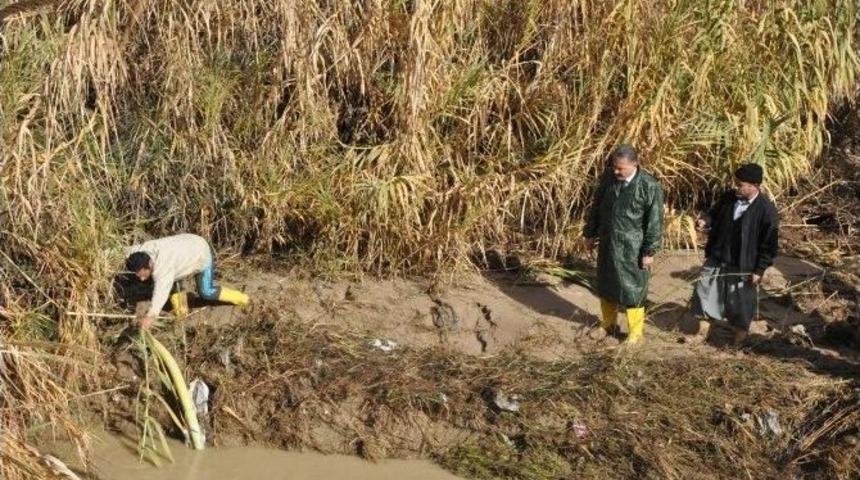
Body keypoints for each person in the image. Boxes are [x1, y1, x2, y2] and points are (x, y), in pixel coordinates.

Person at [584, 144, 664, 344]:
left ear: (635, 164)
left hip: (633, 247)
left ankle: (635, 334)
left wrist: (649, 250)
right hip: (608, 241)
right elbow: (597, 206)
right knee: (606, 285)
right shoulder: (609, 179)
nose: (616, 171)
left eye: (621, 168)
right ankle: (608, 324)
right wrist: (590, 233)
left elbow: (654, 221)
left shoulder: (649, 185)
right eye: (614, 167)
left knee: (634, 290)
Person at [692, 163, 779, 345]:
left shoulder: (766, 211)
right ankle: (701, 333)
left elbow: (769, 245)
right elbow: (713, 215)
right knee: (704, 292)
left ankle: (738, 341)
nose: (735, 187)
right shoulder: (728, 198)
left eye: (740, 184)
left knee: (740, 303)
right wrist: (704, 221)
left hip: (743, 265)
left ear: (754, 186)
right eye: (735, 183)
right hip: (717, 256)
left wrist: (759, 269)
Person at [125, 233, 249, 329]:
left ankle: (244, 299)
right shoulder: (142, 250)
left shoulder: (163, 268)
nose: (141, 279)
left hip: (200, 252)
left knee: (206, 291)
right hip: (186, 243)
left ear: (149, 265)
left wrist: (150, 317)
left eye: (142, 275)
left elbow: (160, 294)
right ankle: (182, 312)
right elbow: (123, 250)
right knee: (172, 282)